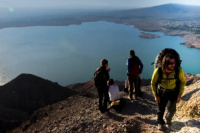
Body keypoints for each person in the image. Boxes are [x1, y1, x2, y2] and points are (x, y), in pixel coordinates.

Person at [151, 54, 186, 130]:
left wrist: (180, 94)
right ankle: (160, 122)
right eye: (170, 63)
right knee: (161, 109)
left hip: (173, 92)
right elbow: (153, 83)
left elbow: (183, 82)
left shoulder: (178, 71)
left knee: (172, 109)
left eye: (174, 63)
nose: (173, 65)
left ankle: (168, 120)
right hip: (161, 92)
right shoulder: (158, 71)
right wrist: (155, 95)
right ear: (165, 64)